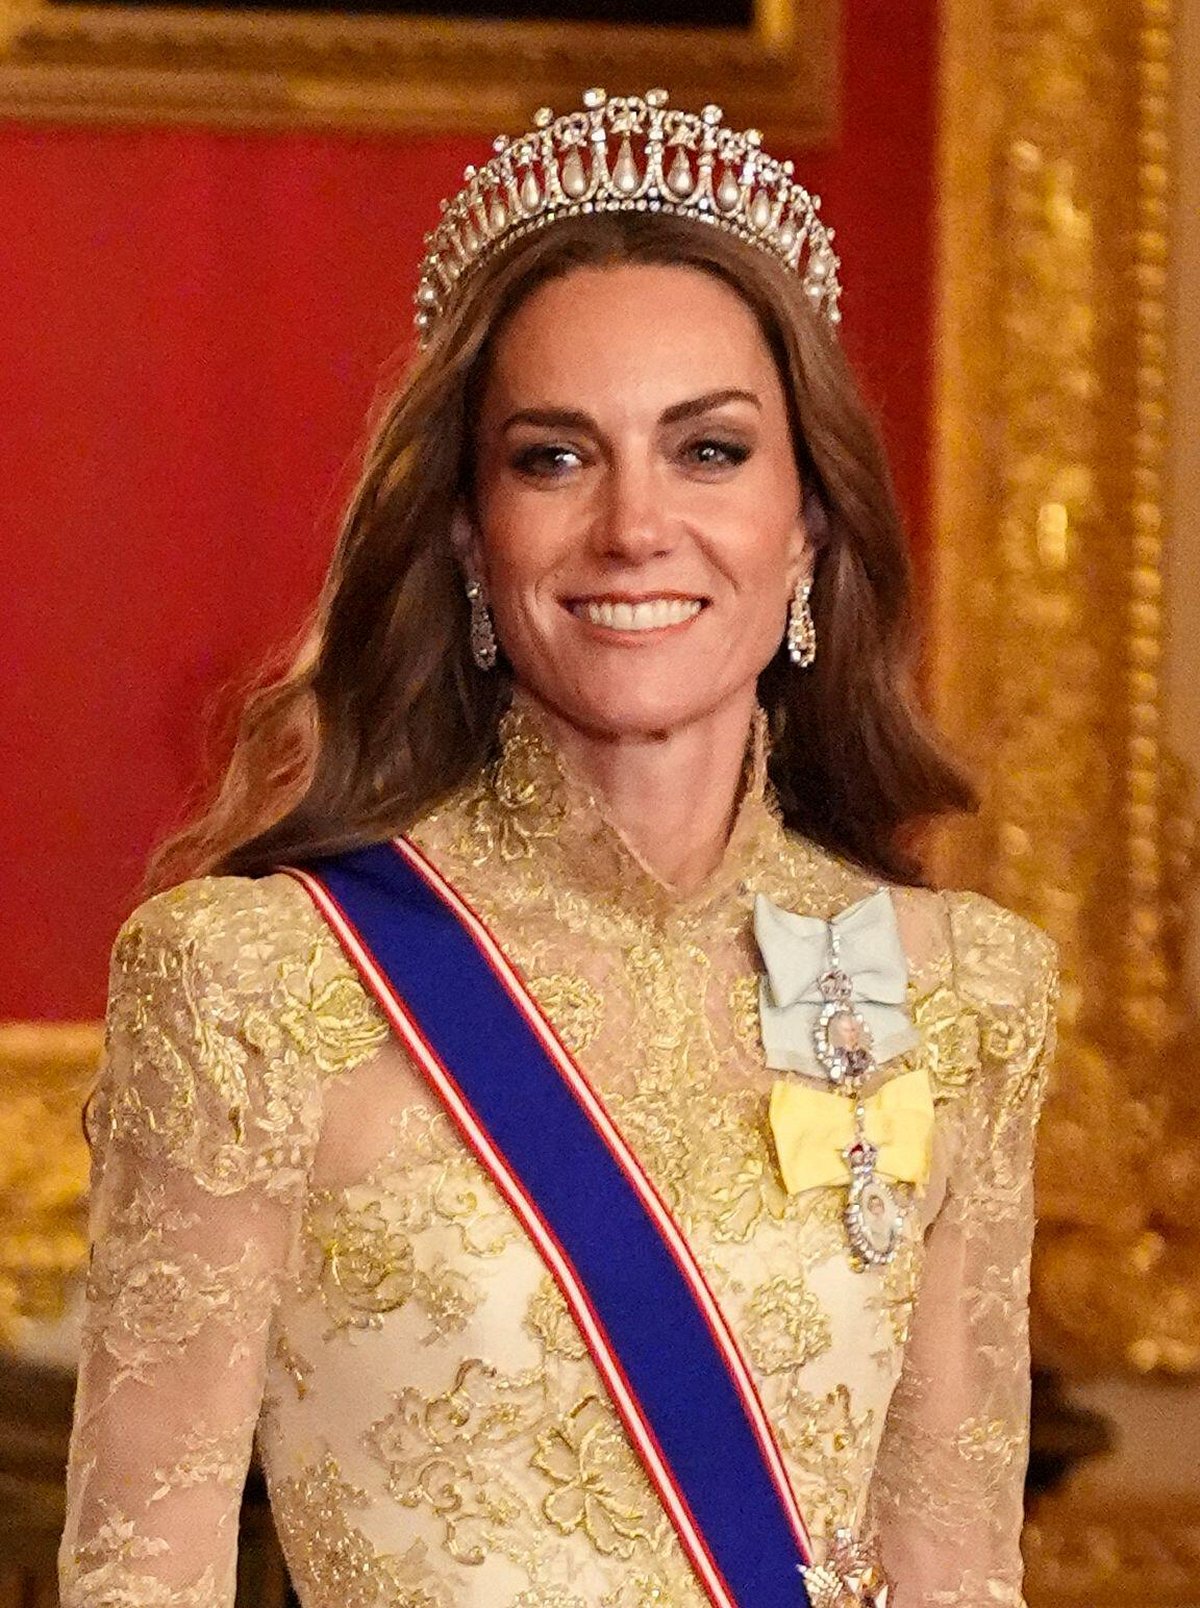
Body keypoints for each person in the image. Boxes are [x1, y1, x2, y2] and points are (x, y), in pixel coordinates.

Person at [58, 88, 1058, 1608]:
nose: (635, 525)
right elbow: (144, 1574)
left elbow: (957, 1566)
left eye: (711, 451)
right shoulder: (255, 985)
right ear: (469, 537)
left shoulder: (961, 993)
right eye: (554, 458)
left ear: (809, 532)